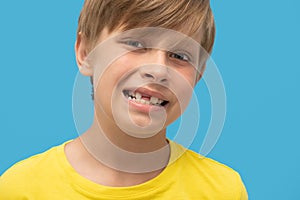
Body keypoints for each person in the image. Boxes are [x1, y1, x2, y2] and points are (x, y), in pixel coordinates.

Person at [0, 0, 248, 199]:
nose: (159, 70)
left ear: (198, 75)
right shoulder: (18, 189)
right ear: (86, 53)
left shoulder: (223, 190)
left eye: (179, 56)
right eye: (136, 43)